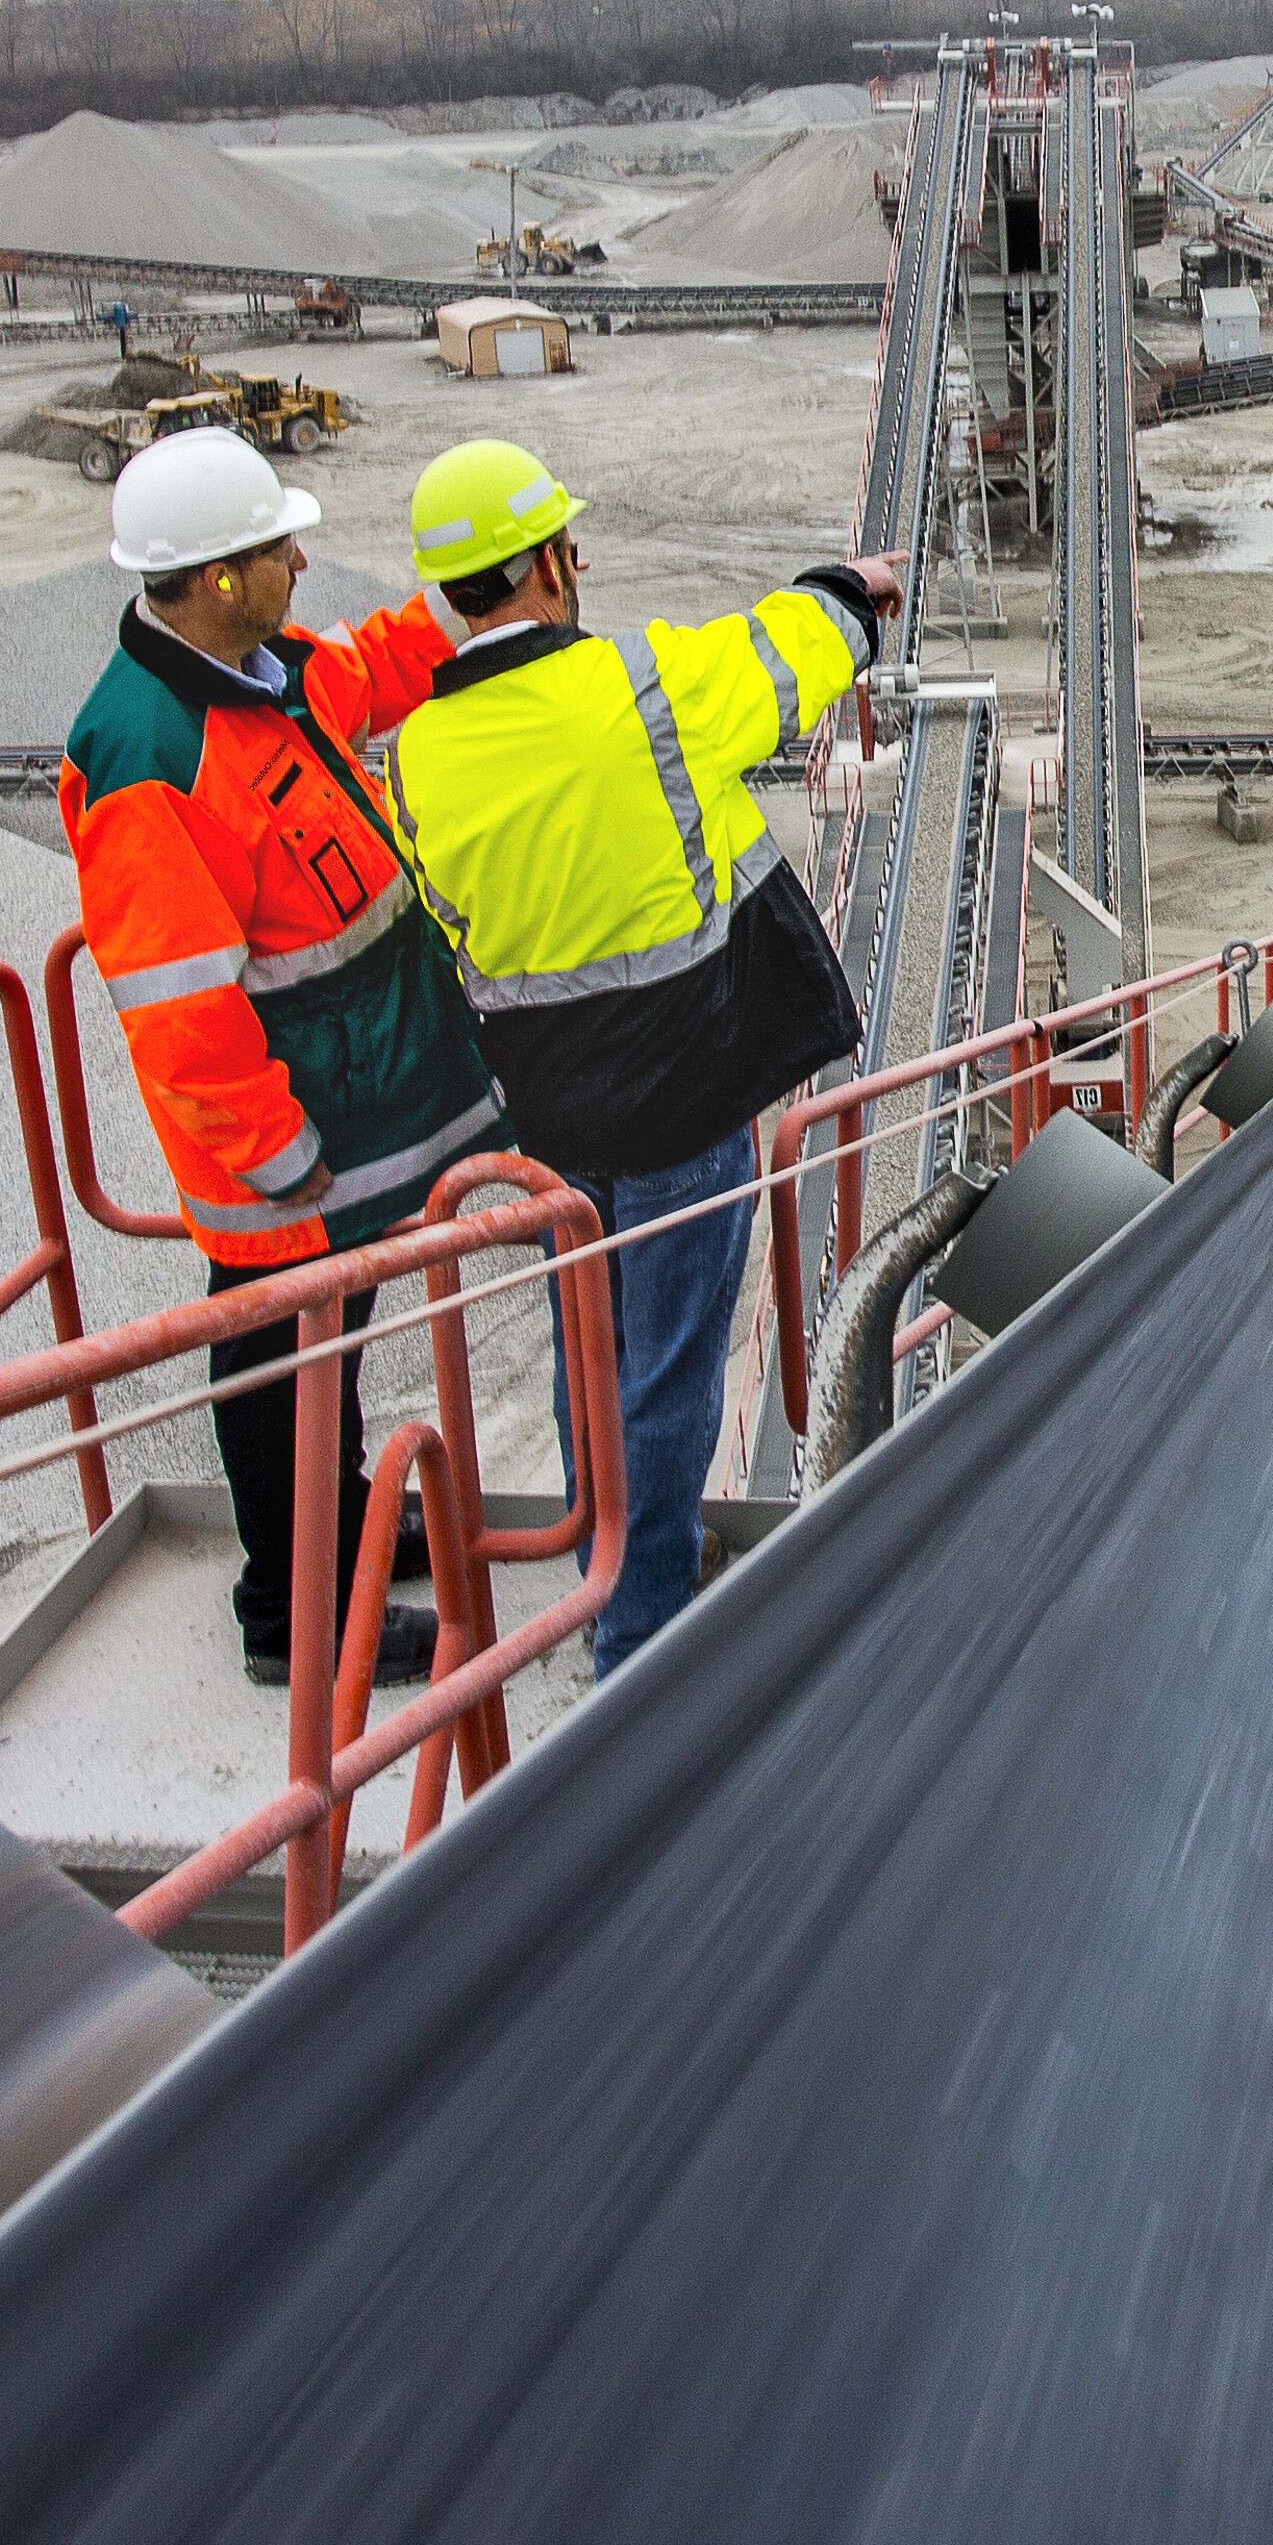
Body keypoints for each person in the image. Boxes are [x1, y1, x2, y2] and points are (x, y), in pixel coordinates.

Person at [367, 436, 898, 1672]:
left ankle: (605, 1563)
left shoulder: (419, 753)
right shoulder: (643, 684)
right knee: (667, 1372)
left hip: (548, 1116)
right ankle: (641, 1625)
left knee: (586, 1352)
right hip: (683, 1099)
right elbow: (785, 653)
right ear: (548, 563)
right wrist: (849, 590)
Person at [58, 424, 507, 1687]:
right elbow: (175, 999)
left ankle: (349, 1519)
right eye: (276, 549)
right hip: (276, 1137)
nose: (300, 563)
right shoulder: (150, 755)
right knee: (281, 1355)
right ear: (215, 577)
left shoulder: (256, 670)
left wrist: (474, 598)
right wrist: (273, 1151)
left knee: (333, 1335)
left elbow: (355, 674)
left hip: (334, 1104)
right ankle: (296, 1618)